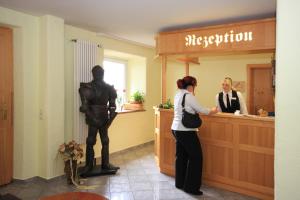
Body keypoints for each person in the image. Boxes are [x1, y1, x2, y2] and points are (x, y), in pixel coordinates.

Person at [171, 76, 217, 195]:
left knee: (181, 156)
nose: (194, 88)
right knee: (196, 158)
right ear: (191, 86)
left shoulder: (177, 94)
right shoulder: (189, 96)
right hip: (186, 131)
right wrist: (213, 110)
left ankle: (179, 183)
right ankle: (191, 188)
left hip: (176, 129)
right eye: (195, 86)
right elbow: (202, 109)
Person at [79, 65, 119, 176]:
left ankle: (105, 164)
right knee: (90, 141)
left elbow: (112, 105)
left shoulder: (109, 88)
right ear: (93, 74)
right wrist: (90, 115)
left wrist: (111, 116)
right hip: (92, 116)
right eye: (97, 73)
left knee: (105, 141)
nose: (99, 75)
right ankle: (88, 165)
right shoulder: (87, 87)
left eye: (100, 73)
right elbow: (84, 107)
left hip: (103, 117)